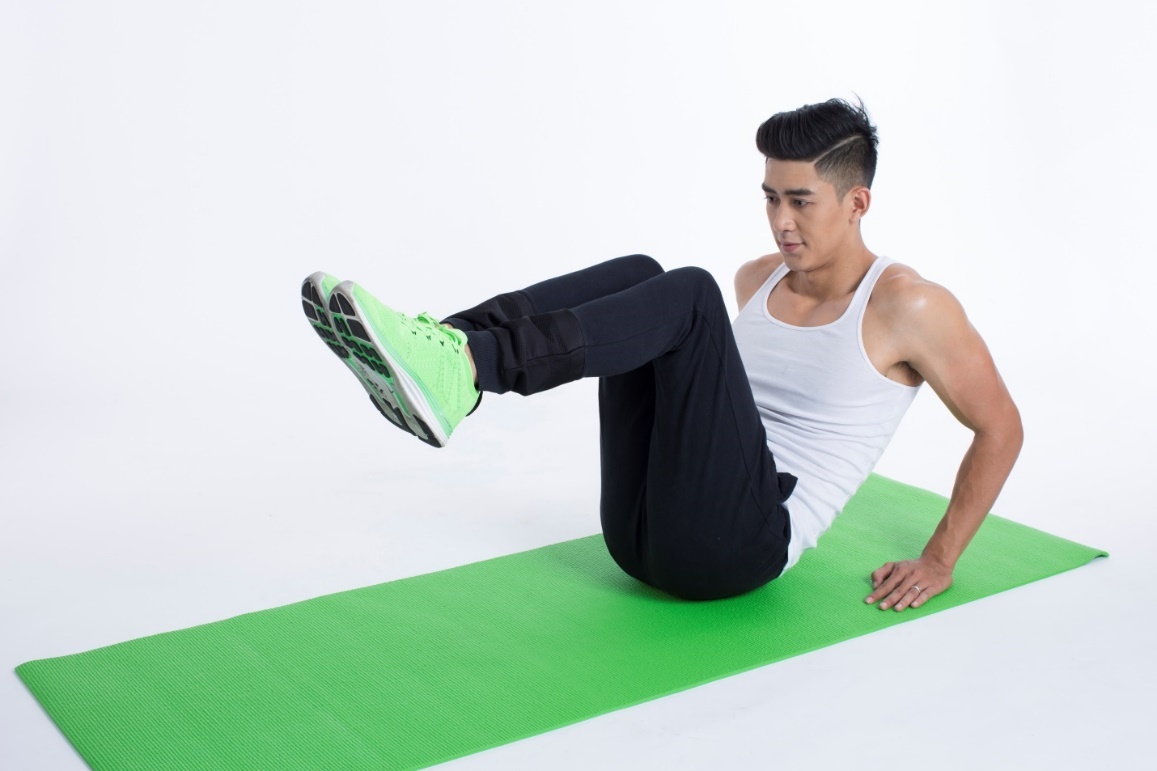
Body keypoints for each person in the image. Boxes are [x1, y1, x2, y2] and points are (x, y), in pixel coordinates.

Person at [300, 98, 1023, 611]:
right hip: (637, 532)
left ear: (857, 203)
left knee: (687, 293)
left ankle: (465, 369)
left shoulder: (908, 304)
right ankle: (449, 349)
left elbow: (1001, 428)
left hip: (738, 550)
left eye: (800, 201)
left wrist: (938, 559)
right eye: (770, 197)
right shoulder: (759, 279)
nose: (780, 221)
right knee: (643, 274)